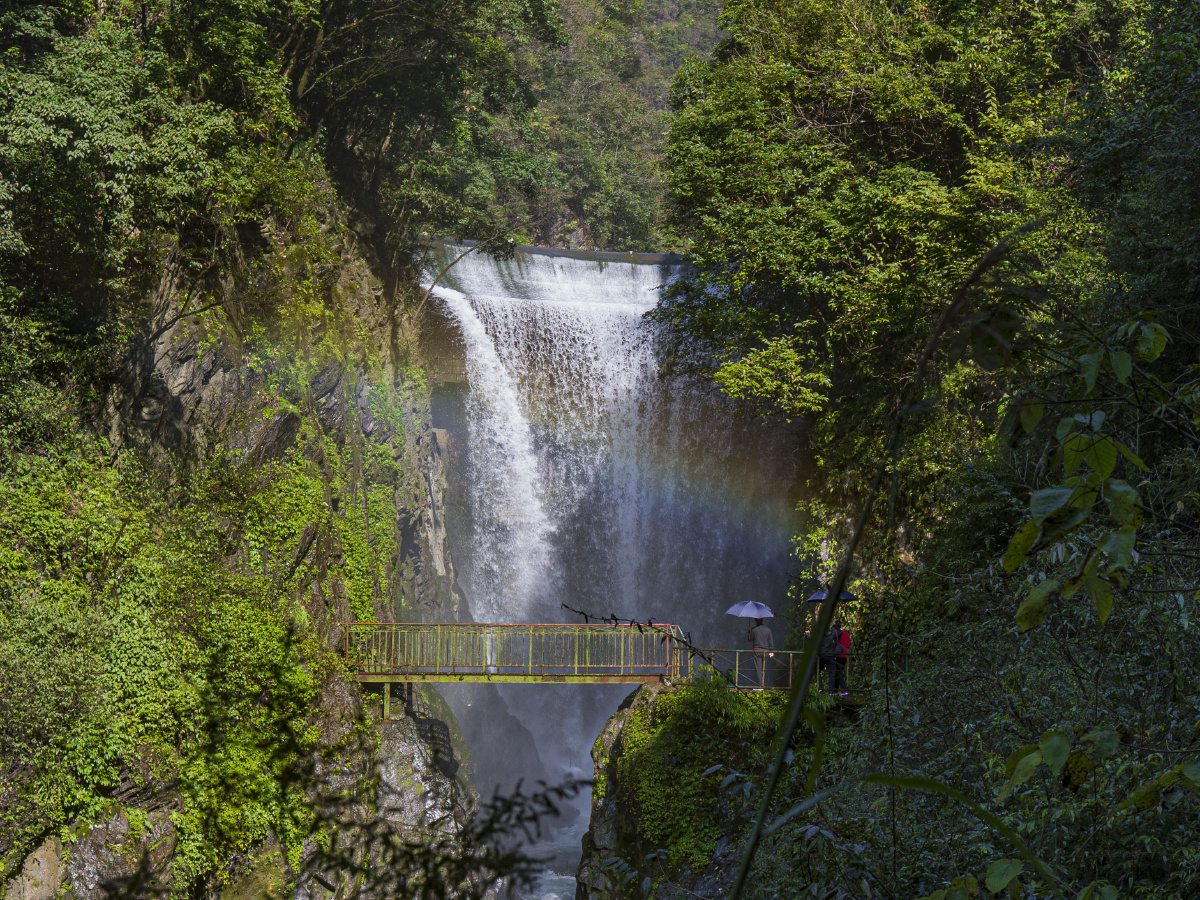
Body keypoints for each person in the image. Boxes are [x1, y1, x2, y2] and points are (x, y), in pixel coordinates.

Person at [746, 618, 774, 688]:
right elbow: (770, 641)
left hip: (757, 651)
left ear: (756, 621)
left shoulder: (754, 630)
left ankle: (760, 686)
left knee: (758, 669)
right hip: (766, 651)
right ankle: (762, 684)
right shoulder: (768, 630)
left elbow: (749, 639)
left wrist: (749, 631)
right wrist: (771, 651)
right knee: (763, 668)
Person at [817, 620, 843, 691]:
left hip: (822, 655)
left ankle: (821, 687)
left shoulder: (819, 633)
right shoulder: (833, 632)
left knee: (815, 670)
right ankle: (831, 691)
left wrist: (807, 635)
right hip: (831, 655)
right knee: (832, 673)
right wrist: (836, 625)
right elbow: (840, 632)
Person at [834, 619, 851, 694]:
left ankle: (844, 690)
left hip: (838, 655)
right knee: (838, 672)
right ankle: (835, 690)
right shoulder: (846, 633)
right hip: (845, 655)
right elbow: (849, 644)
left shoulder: (837, 633)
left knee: (839, 672)